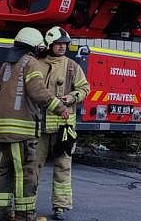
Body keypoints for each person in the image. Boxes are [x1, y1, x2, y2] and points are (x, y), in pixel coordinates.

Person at [0, 27, 68, 221]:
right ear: (34, 46)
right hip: (22, 133)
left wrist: (6, 112)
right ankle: (25, 216)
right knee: (25, 173)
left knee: (4, 172)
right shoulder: (30, 63)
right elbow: (38, 91)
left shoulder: (5, 66)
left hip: (3, 131)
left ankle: (0, 214)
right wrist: (59, 107)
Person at [36, 26, 90, 220]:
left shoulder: (72, 66)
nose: (62, 47)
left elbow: (85, 88)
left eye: (65, 44)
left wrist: (73, 97)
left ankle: (60, 207)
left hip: (63, 128)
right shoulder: (38, 63)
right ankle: (27, 205)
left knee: (63, 167)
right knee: (33, 166)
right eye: (59, 44)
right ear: (50, 44)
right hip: (40, 126)